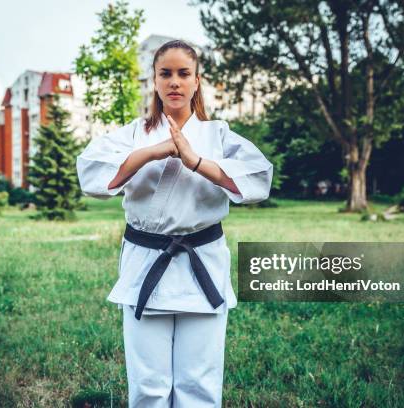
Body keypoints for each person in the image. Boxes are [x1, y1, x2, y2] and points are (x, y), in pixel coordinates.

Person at [76, 39, 273, 408]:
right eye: (165, 73)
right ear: (154, 80)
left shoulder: (217, 135)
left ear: (197, 80)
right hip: (146, 265)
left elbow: (258, 179)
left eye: (184, 73)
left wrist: (195, 160)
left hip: (202, 265)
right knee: (149, 385)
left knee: (197, 384)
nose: (175, 82)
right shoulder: (135, 134)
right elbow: (92, 173)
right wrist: (155, 151)